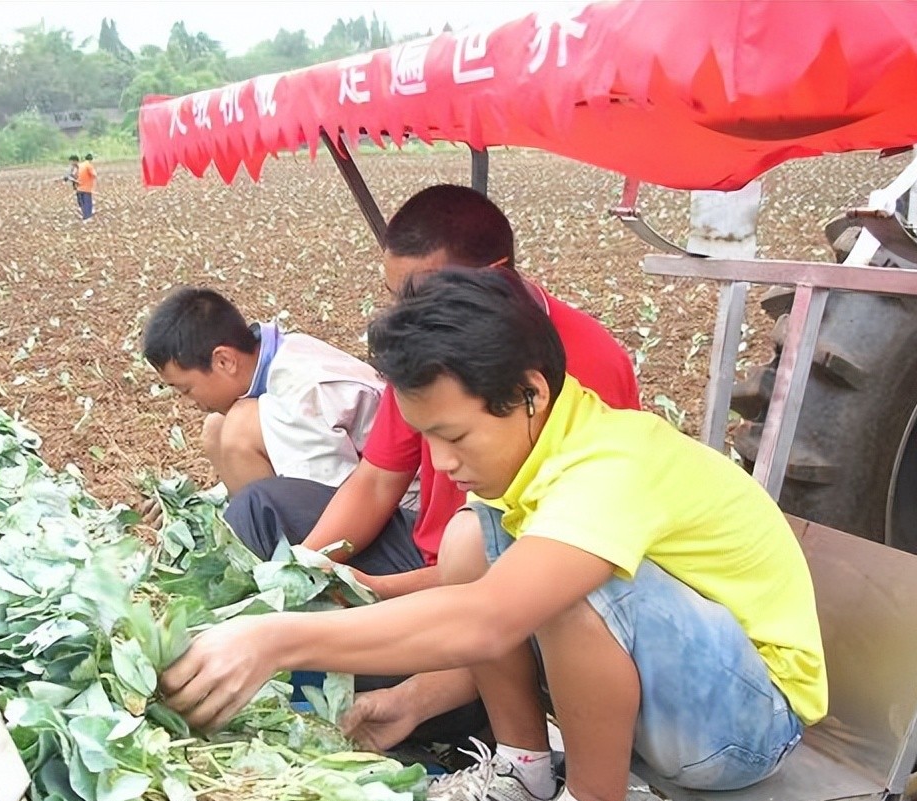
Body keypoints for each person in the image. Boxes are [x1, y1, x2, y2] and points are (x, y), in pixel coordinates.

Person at [159, 267, 825, 801]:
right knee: (470, 540)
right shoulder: (545, 457)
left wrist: (275, 638)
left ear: (530, 392)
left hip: (747, 724)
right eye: (426, 439)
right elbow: (499, 612)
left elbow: (493, 619)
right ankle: (523, 770)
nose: (442, 462)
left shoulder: (611, 466)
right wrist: (412, 697)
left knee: (561, 585)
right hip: (682, 698)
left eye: (452, 436)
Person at [223, 184, 640, 751]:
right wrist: (306, 572)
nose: (408, 315)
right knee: (261, 509)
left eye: (420, 294)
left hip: (508, 595)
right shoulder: (430, 348)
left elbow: (517, 582)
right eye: (397, 297)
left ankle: (426, 712)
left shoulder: (586, 367)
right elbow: (375, 481)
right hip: (434, 562)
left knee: (341, 656)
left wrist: (369, 600)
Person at [144, 287, 386, 497]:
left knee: (239, 427)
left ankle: (266, 543)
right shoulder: (277, 355)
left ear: (224, 361)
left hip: (400, 513)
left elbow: (336, 497)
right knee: (216, 427)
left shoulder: (299, 389)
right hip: (365, 493)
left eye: (186, 389)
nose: (188, 402)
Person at [76, 153, 97, 220]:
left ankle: (84, 216)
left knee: (82, 204)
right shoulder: (89, 165)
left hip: (79, 188)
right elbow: (94, 175)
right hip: (86, 188)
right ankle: (87, 217)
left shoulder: (80, 165)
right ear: (91, 160)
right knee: (87, 204)